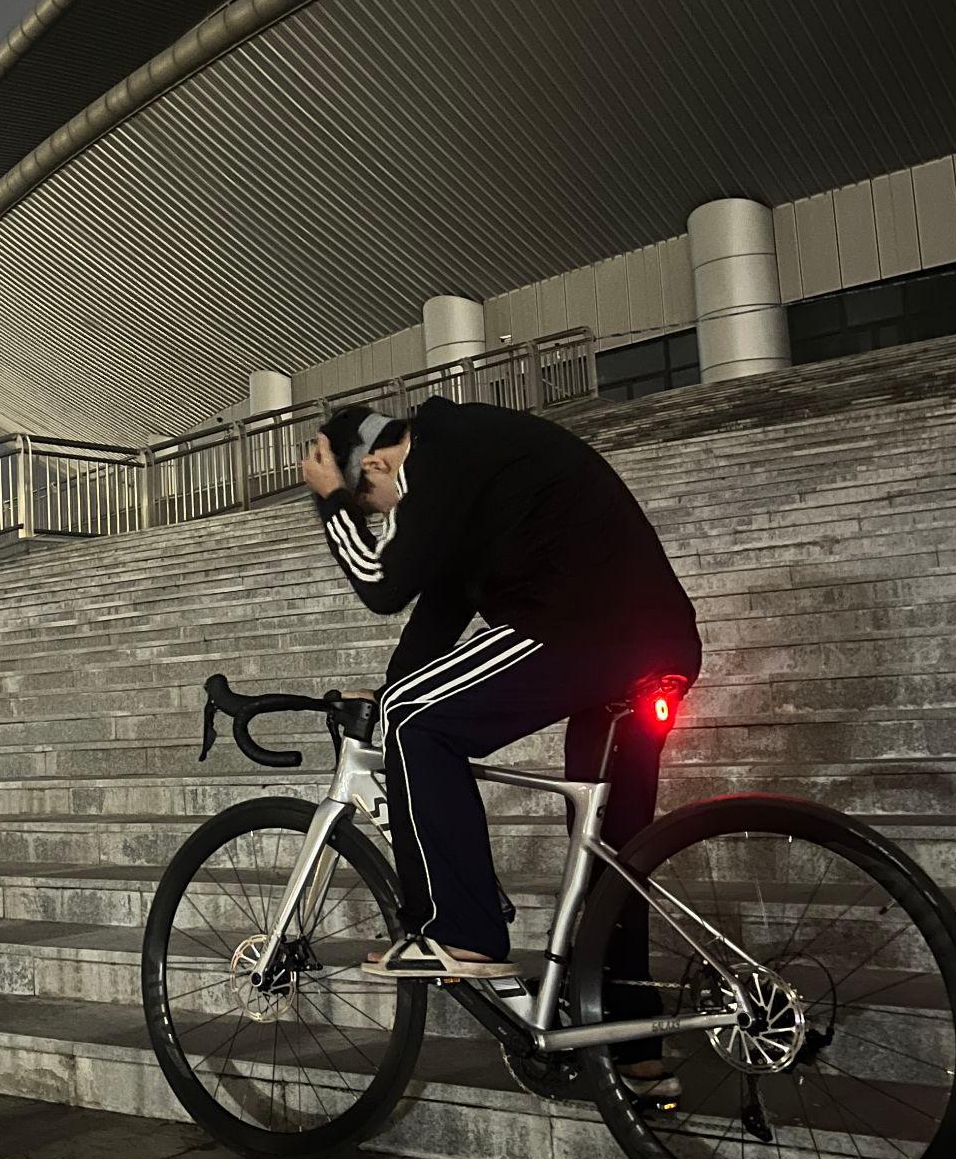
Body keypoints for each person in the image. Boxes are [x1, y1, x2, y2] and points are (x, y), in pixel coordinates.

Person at [301, 393, 702, 1098]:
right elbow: (438, 609)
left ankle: (463, 929)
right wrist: (387, 687)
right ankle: (632, 1040)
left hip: (582, 628)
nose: (390, 520)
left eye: (380, 505)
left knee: (419, 723)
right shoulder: (471, 467)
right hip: (651, 639)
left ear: (380, 462)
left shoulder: (442, 446)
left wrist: (332, 501)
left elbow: (386, 585)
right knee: (611, 843)